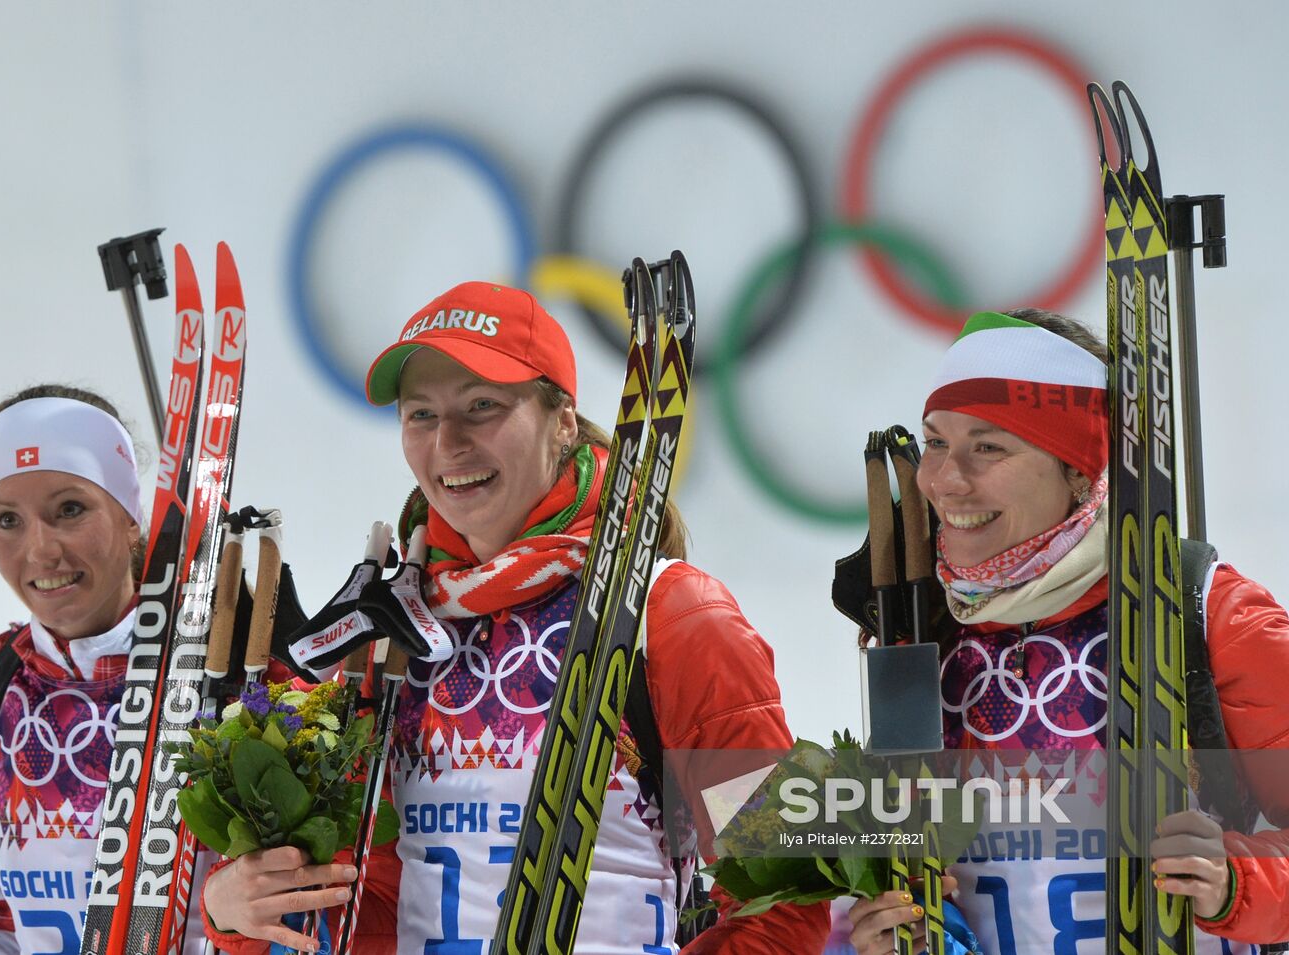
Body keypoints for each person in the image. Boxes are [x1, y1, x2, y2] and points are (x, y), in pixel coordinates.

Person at [200, 281, 830, 953]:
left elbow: (787, 900)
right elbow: (379, 904)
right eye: (421, 415)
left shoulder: (672, 614)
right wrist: (238, 910)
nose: (450, 442)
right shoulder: (391, 631)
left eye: (483, 406)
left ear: (562, 419)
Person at [846, 309, 1289, 955]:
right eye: (934, 442)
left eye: (989, 446)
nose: (944, 480)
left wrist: (1237, 881)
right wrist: (885, 929)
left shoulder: (1204, 610)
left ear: (1077, 468)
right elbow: (911, 870)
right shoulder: (926, 623)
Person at [0, 387, 149, 955]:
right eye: (8, 520)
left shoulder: (225, 665)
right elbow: (2, 919)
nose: (40, 551)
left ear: (131, 517)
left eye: (69, 509)